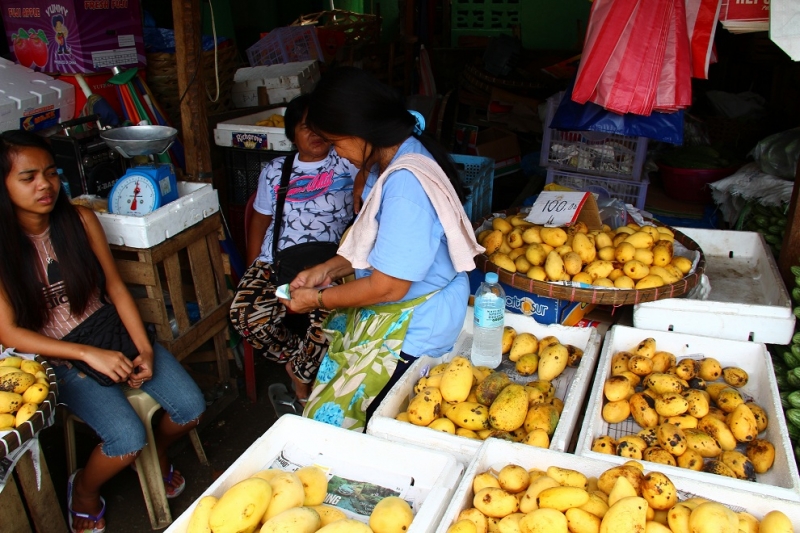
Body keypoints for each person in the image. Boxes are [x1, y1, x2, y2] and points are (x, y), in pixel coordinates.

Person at [0, 130, 206, 533]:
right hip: (57, 353)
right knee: (126, 440)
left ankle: (159, 452)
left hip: (110, 331)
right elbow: (7, 332)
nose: (44, 185)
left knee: (191, 409)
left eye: (50, 173)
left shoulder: (79, 219)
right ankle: (85, 491)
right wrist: (84, 354)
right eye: (28, 177)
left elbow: (114, 287)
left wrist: (144, 349)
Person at [281, 67, 484, 429]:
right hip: (403, 313)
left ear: (362, 131)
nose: (338, 155)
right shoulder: (393, 156)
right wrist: (325, 271)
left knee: (372, 424)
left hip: (412, 328)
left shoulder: (405, 187)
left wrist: (316, 299)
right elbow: (378, 244)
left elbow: (389, 286)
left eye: (337, 143)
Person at [228, 94, 359, 410]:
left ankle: (301, 376)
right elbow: (260, 217)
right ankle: (299, 359)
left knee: (328, 317)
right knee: (244, 315)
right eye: (305, 127)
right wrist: (254, 263)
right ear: (292, 134)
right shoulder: (275, 169)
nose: (315, 134)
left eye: (320, 127)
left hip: (330, 262)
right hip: (278, 258)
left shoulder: (348, 162)